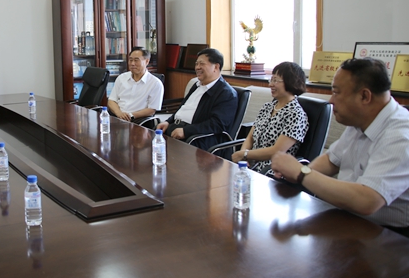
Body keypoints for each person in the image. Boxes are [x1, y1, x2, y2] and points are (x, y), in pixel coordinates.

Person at [271, 58, 409, 233]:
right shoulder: (360, 120)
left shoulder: (400, 135)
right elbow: (332, 160)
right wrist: (295, 173)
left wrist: (301, 174)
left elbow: (367, 200)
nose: (331, 100)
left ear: (364, 96)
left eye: (336, 92)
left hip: (388, 235)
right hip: (347, 218)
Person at [232, 62, 309, 174]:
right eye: (271, 79)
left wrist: (245, 154)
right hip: (251, 167)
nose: (271, 84)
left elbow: (277, 151)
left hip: (273, 171)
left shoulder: (296, 114)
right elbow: (250, 138)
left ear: (291, 82)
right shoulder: (267, 107)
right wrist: (243, 157)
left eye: (275, 80)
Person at [157, 48, 237, 151]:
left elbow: (217, 124)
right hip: (176, 130)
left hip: (198, 139)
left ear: (216, 67)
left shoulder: (226, 93)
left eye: (202, 64)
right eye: (196, 64)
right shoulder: (197, 85)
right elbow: (182, 109)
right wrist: (168, 122)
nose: (197, 67)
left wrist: (186, 131)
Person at [107, 48, 164, 125]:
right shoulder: (121, 78)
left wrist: (130, 115)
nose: (132, 63)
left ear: (147, 61)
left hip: (138, 121)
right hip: (117, 117)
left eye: (136, 60)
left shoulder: (155, 83)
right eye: (130, 60)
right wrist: (119, 113)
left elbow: (151, 110)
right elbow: (111, 100)